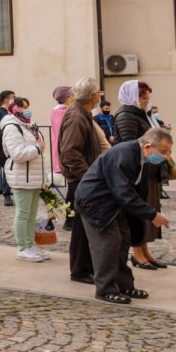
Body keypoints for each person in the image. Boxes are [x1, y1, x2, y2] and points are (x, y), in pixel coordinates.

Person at [74, 128, 171, 305]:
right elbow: (124, 192)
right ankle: (105, 289)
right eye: (164, 151)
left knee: (123, 240)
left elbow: (131, 190)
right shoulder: (125, 154)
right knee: (108, 244)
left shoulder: (138, 156)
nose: (166, 156)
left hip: (111, 204)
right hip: (95, 204)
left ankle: (124, 285)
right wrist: (151, 214)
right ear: (148, 147)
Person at [113, 80, 164, 268]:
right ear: (133, 97)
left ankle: (144, 250)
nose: (146, 101)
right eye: (143, 97)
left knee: (148, 208)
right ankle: (136, 252)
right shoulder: (126, 115)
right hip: (136, 170)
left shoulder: (141, 113)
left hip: (149, 168)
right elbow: (130, 144)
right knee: (137, 212)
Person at [58, 77, 103, 282]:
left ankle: (86, 266)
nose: (100, 97)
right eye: (99, 94)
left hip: (84, 178)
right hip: (82, 180)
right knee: (81, 228)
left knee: (84, 226)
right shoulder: (77, 116)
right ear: (93, 96)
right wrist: (88, 177)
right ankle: (80, 270)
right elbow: (70, 152)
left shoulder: (81, 113)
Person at [0, 98, 51, 263]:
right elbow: (17, 154)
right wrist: (37, 148)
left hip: (33, 176)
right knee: (23, 213)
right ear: (14, 109)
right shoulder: (12, 127)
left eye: (27, 107)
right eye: (22, 107)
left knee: (32, 213)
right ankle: (22, 247)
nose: (26, 110)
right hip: (22, 176)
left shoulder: (28, 125)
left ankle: (30, 244)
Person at [0, 90, 16, 206]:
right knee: (7, 168)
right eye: (13, 97)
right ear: (7, 100)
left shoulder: (11, 112)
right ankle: (6, 194)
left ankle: (11, 190)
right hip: (5, 145)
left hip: (13, 144)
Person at [48, 85, 73, 181]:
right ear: (67, 97)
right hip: (63, 144)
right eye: (72, 95)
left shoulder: (64, 109)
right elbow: (61, 131)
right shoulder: (59, 111)